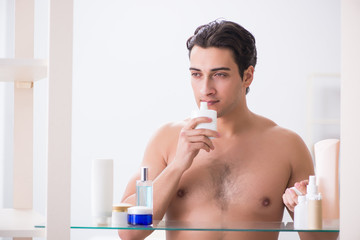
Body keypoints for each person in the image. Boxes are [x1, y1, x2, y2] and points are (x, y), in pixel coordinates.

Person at [118, 20, 338, 240]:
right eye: (196, 74)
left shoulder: (287, 145)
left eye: (219, 74)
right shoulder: (166, 139)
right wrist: (177, 165)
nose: (205, 89)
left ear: (247, 76)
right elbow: (130, 233)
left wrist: (301, 206)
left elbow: (322, 239)